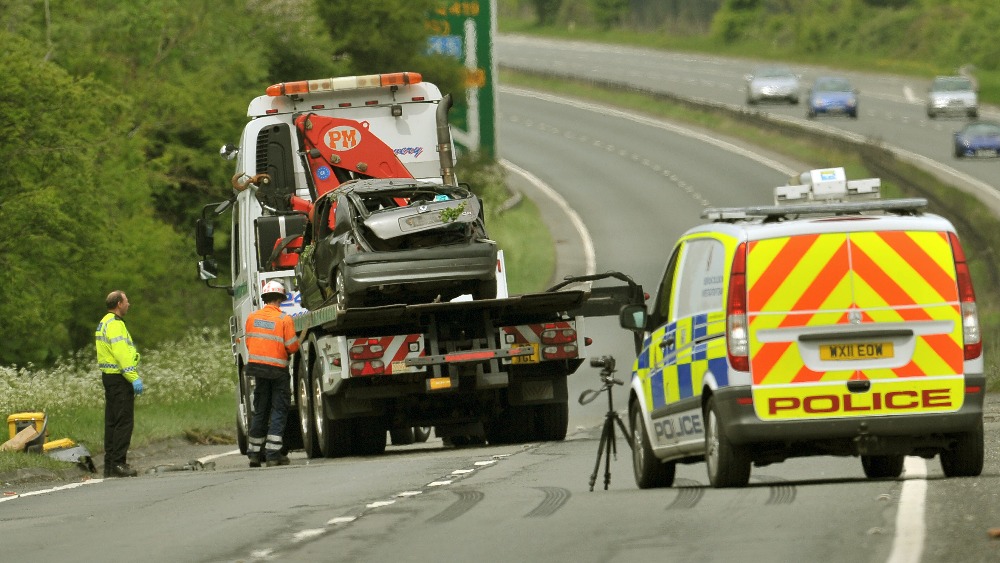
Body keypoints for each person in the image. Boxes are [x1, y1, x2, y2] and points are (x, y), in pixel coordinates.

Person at [245, 280, 300, 467]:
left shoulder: (252, 318)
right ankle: (273, 455)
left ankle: (254, 454)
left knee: (260, 410)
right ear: (280, 299)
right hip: (278, 372)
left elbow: (249, 344)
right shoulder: (284, 319)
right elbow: (291, 346)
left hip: (258, 370)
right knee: (278, 409)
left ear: (265, 298)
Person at [95, 290, 143, 478]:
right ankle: (118, 464)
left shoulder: (103, 322)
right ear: (118, 304)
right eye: (126, 301)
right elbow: (122, 354)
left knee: (112, 422)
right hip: (120, 378)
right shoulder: (115, 325)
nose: (128, 304)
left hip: (109, 377)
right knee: (124, 422)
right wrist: (133, 377)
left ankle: (109, 465)